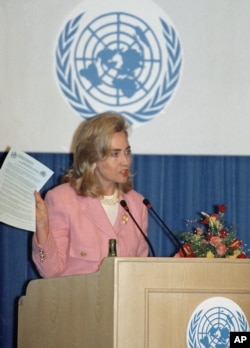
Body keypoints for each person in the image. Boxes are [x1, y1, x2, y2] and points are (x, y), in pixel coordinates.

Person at [32, 112, 149, 278]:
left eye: (127, 151)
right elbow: (50, 271)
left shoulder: (138, 204)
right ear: (92, 159)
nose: (125, 161)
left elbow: (140, 273)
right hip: (78, 302)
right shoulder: (62, 200)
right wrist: (43, 227)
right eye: (115, 154)